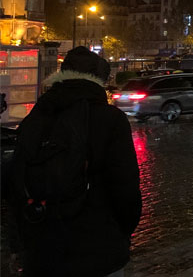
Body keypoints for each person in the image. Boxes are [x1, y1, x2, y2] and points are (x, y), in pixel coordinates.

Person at [10, 46, 142, 277]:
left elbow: (15, 185)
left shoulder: (35, 117)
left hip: (42, 249)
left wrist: (20, 245)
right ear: (99, 79)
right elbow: (126, 188)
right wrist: (121, 233)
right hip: (98, 247)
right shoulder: (110, 119)